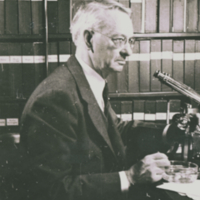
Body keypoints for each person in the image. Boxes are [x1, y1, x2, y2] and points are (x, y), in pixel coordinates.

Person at [7, 1, 187, 200]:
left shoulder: (87, 81)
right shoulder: (55, 97)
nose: (129, 51)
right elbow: (50, 190)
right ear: (89, 39)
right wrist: (129, 177)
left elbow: (114, 130)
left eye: (131, 41)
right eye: (119, 40)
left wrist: (168, 132)